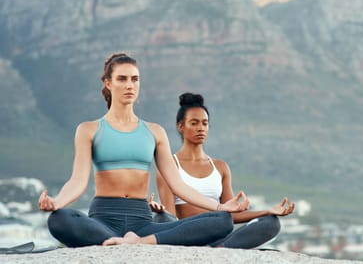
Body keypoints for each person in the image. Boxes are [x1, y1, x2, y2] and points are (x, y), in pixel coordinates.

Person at [38, 53, 249, 248]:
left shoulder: (154, 132)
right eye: (122, 79)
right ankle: (117, 240)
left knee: (222, 221)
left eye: (134, 79)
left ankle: (141, 241)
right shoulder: (88, 130)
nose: (129, 85)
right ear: (108, 83)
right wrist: (56, 202)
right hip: (103, 219)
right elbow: (78, 181)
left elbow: (178, 185)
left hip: (142, 222)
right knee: (59, 219)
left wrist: (220, 207)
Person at [149, 92, 294, 249]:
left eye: (205, 123)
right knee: (162, 218)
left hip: (219, 234)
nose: (201, 128)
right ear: (180, 126)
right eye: (194, 123)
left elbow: (232, 214)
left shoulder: (220, 167)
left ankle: (221, 248)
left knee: (271, 222)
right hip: (186, 236)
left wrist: (267, 211)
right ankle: (220, 248)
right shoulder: (170, 166)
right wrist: (161, 211)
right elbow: (170, 220)